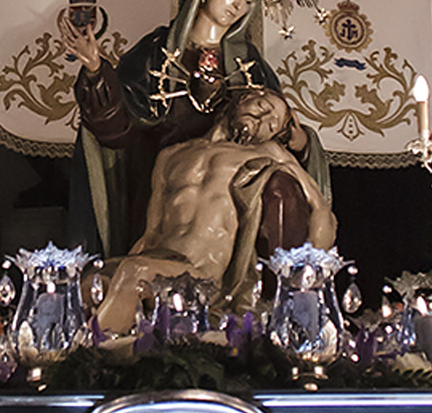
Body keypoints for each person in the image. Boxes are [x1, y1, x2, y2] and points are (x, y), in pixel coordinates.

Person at [58, 0, 330, 256]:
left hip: (231, 184)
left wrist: (300, 141)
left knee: (281, 190)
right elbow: (117, 130)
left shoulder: (249, 64)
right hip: (168, 181)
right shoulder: (156, 53)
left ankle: (282, 279)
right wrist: (96, 70)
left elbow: (279, 132)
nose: (239, 5)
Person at [95, 86, 336, 333]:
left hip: (202, 274)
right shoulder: (170, 155)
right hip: (157, 260)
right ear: (244, 99)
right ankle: (108, 345)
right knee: (92, 281)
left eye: (272, 125)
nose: (263, 120)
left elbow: (319, 208)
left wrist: (306, 276)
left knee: (134, 272)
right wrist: (121, 267)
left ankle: (93, 353)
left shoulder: (269, 152)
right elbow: (151, 232)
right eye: (263, 107)